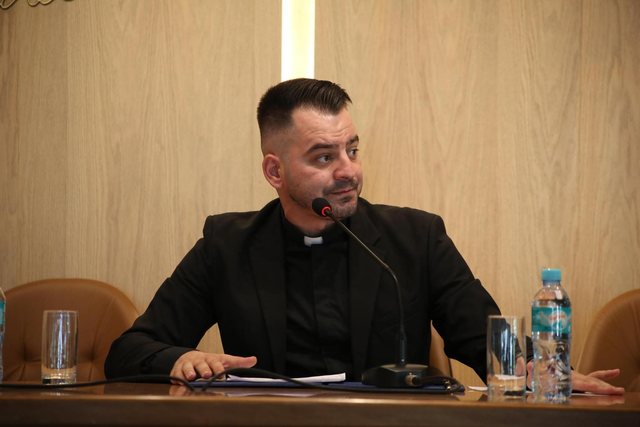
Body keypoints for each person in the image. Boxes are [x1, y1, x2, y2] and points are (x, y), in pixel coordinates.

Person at [105, 78, 623, 395]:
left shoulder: (415, 237)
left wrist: (539, 369)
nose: (348, 170)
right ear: (274, 171)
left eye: (352, 150)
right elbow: (129, 351)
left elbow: (483, 339)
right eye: (324, 157)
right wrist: (178, 359)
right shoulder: (227, 244)